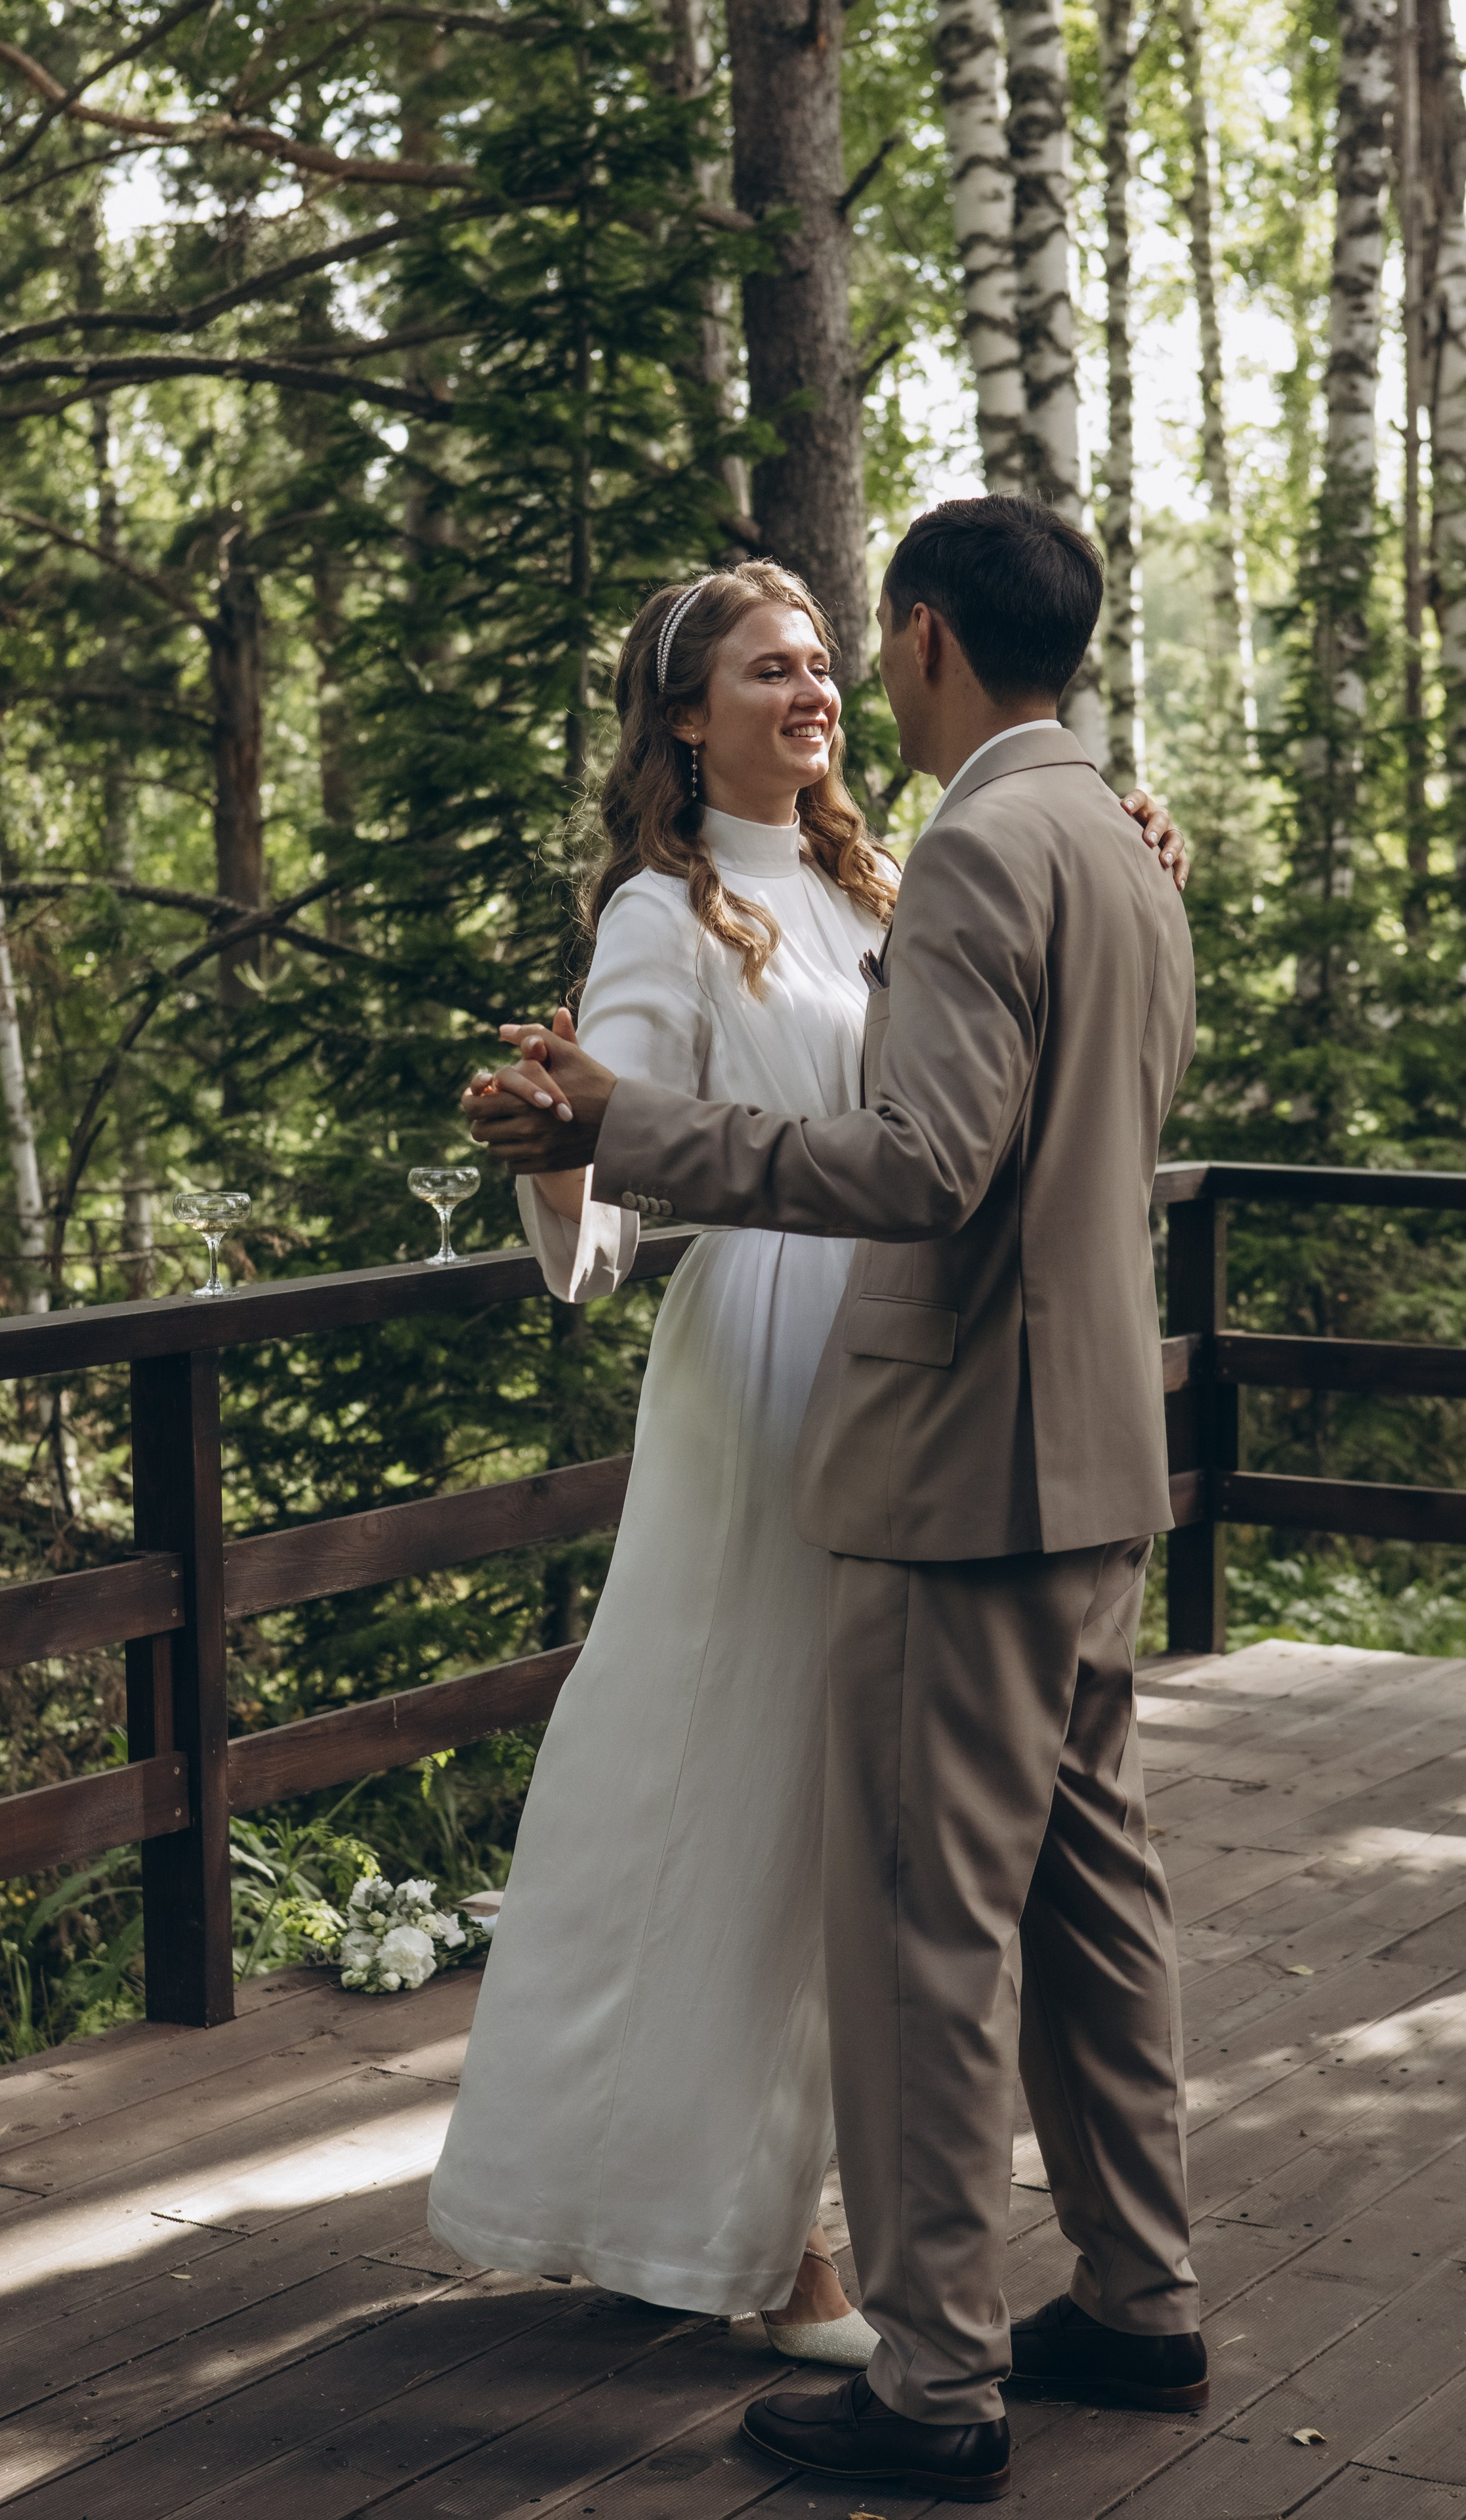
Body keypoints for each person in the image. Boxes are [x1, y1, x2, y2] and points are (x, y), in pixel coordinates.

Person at [465, 499, 1204, 2506]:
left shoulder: (964, 853)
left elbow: (944, 1155)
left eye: (843, 644)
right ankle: (1132, 2299)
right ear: (684, 720)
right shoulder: (1109, 846)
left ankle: (936, 2378)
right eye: (770, 659)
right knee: (1073, 1889)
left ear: (931, 644)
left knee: (917, 1921)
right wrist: (579, 1148)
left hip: (945, 1424)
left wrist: (645, 1128)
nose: (828, 679)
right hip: (1053, 1439)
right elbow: (606, 1209)